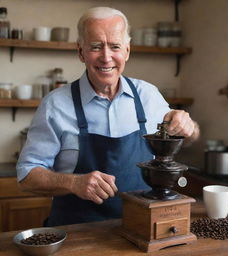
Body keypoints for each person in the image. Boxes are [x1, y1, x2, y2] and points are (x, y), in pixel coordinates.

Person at [16, 7, 200, 226]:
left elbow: (188, 138)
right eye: (95, 47)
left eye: (115, 46)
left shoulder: (148, 96)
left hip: (140, 230)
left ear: (127, 51)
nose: (106, 57)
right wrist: (73, 183)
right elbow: (27, 176)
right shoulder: (55, 105)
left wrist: (189, 127)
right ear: (80, 52)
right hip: (76, 233)